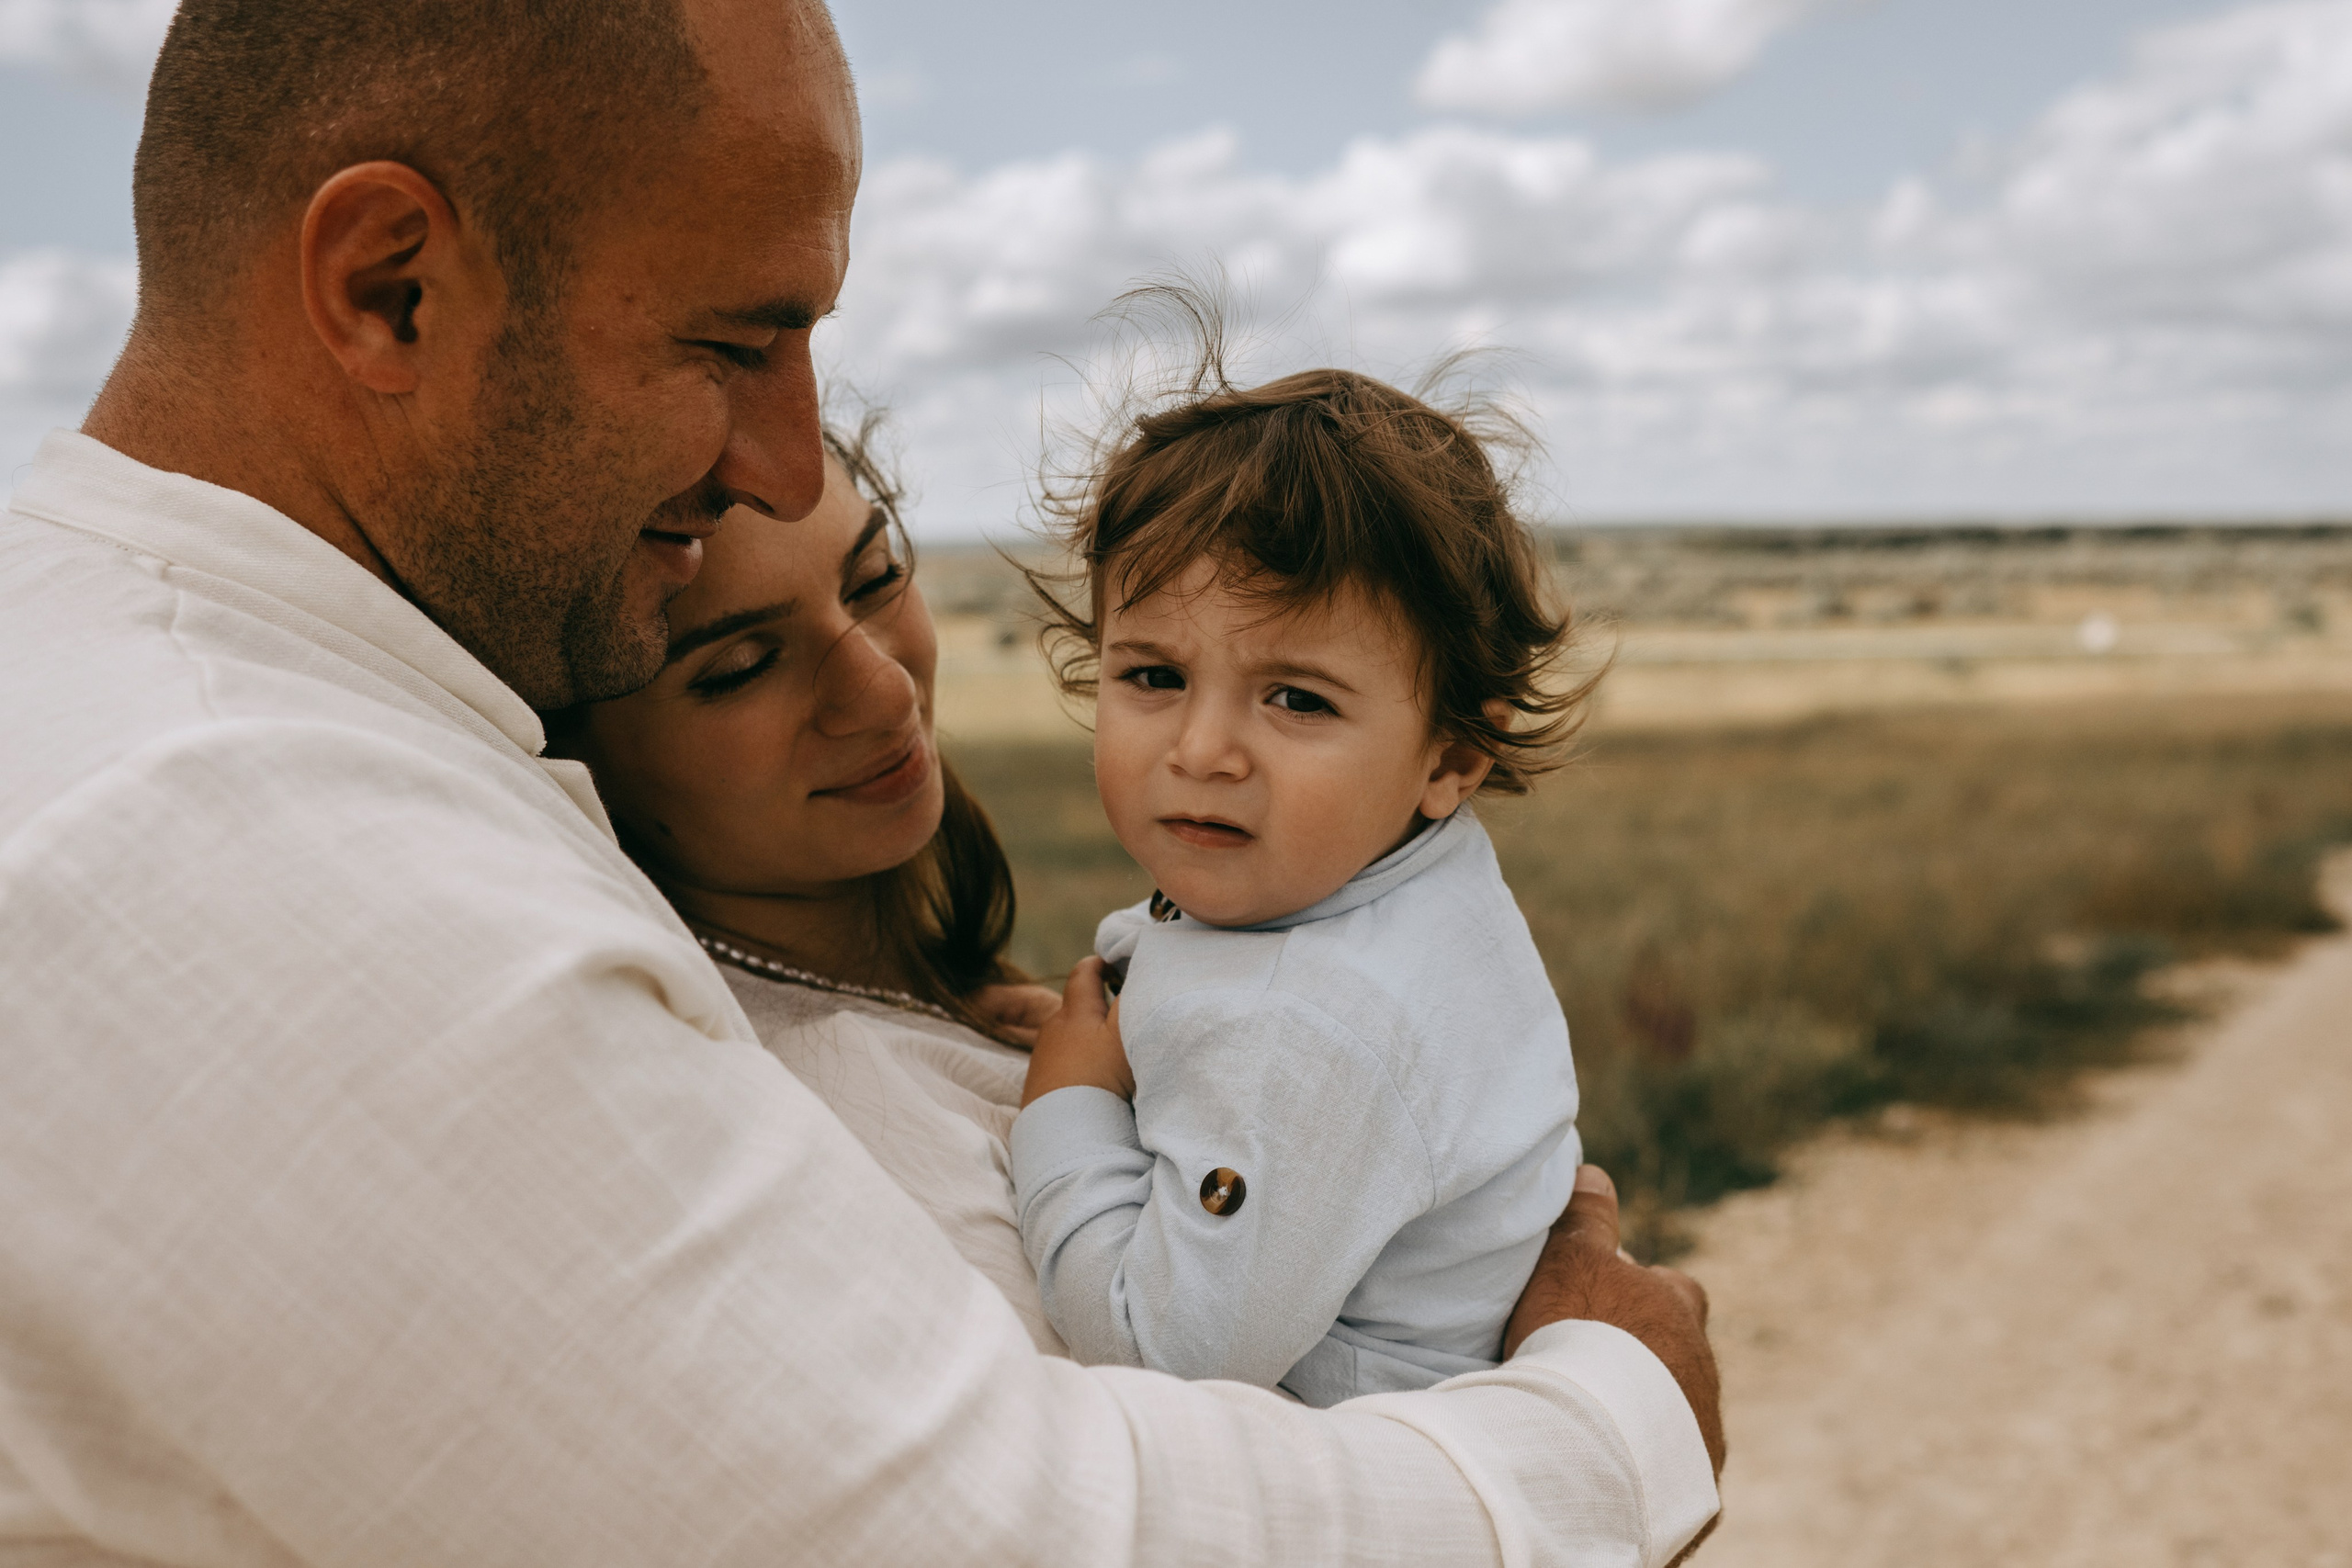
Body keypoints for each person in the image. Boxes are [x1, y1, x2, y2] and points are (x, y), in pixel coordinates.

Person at [0, 0, 1723, 1562]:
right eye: (735, 343)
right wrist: (1610, 1420)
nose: (782, 452)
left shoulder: (253, 715)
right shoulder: (227, 830)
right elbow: (973, 1533)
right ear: (392, 285)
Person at [1004, 355, 1591, 1409]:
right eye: (1153, 676)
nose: (1203, 749)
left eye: (1295, 699)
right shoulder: (1381, 871)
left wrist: (1069, 1104)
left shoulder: (1314, 1029)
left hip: (1335, 1475)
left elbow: (1158, 1349)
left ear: (1451, 761)